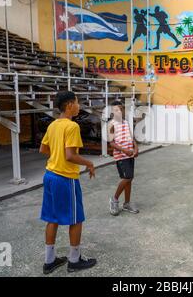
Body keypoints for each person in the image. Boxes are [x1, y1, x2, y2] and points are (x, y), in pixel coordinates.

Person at [39, 91, 97, 274]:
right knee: (76, 219)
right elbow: (70, 156)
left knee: (52, 218)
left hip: (50, 175)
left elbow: (43, 149)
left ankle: (49, 261)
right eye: (78, 103)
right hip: (65, 179)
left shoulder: (53, 125)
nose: (79, 106)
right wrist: (89, 163)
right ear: (70, 105)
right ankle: (74, 260)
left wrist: (56, 157)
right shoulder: (72, 127)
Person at [108, 101, 139, 216]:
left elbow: (132, 138)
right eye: (116, 110)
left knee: (129, 179)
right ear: (113, 112)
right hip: (121, 156)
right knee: (127, 177)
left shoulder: (126, 123)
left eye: (120, 109)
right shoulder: (111, 125)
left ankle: (127, 203)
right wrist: (124, 150)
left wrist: (136, 148)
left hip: (130, 155)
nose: (119, 112)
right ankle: (114, 199)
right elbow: (111, 143)